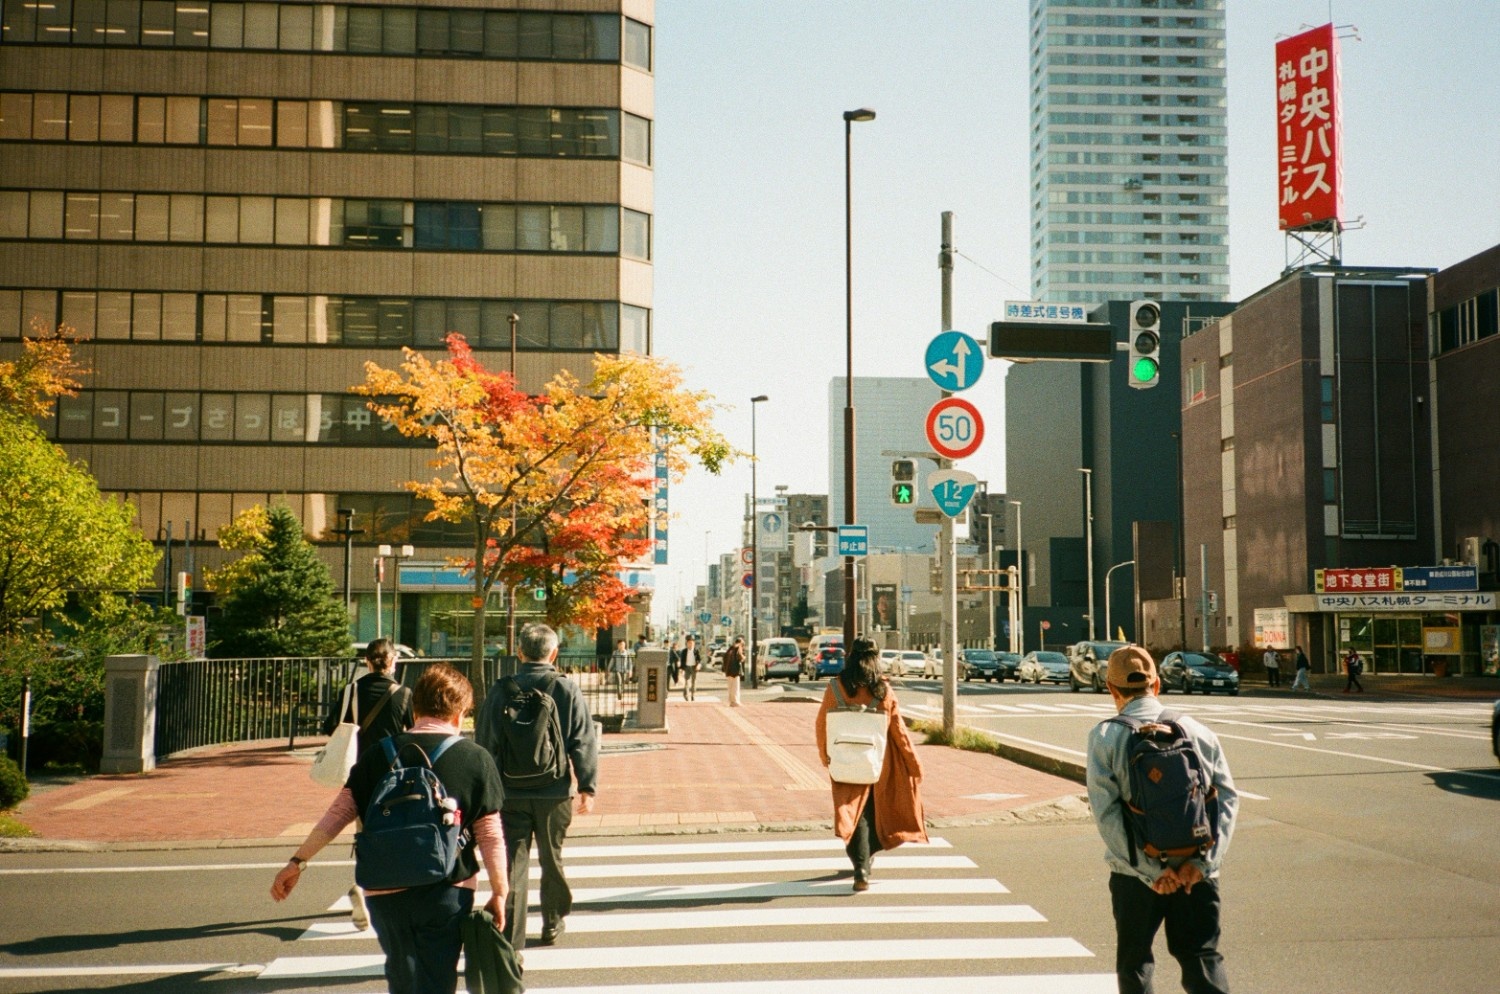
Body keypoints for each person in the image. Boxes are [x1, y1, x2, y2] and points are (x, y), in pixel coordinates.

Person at [272, 664, 506, 994]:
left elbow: (339, 813)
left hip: (384, 890)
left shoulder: (377, 754)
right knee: (438, 978)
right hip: (447, 889)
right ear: (460, 713)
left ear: (415, 709)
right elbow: (490, 834)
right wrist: (500, 891)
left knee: (402, 975)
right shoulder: (475, 758)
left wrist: (297, 861)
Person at [1086, 645, 1238, 994]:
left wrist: (1152, 872)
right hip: (1196, 872)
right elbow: (1226, 799)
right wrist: (1202, 864)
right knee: (1201, 958)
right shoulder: (1197, 730)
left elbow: (1106, 814)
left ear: (1111, 689)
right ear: (1156, 684)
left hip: (1135, 876)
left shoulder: (1105, 737)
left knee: (1135, 963)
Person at [475, 622, 598, 952]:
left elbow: (485, 742)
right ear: (553, 653)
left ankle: (511, 939)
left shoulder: (501, 690)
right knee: (551, 859)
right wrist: (587, 786)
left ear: (519, 653)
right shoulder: (566, 689)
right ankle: (552, 920)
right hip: (554, 792)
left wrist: (486, 790)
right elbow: (583, 740)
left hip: (509, 793)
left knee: (514, 865)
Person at [814, 638, 927, 892]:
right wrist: (914, 765)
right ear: (876, 659)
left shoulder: (835, 688)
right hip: (878, 762)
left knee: (852, 812)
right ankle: (863, 864)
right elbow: (900, 733)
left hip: (843, 760)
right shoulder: (883, 691)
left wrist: (825, 756)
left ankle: (861, 865)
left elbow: (821, 725)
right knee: (872, 813)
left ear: (851, 657)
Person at [323, 638, 415, 929]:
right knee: (396, 836)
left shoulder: (351, 691)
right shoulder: (403, 693)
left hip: (359, 774)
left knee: (364, 835)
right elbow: (412, 733)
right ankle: (383, 893)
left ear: (367, 662)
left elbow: (330, 727)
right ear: (393, 661)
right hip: (392, 777)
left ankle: (363, 886)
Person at [721, 636, 745, 707]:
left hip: (728, 671)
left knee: (730, 687)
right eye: (742, 644)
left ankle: (731, 701)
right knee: (735, 687)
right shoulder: (738, 648)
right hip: (735, 671)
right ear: (740, 643)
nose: (742, 646)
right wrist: (744, 657)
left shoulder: (730, 649)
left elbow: (724, 658)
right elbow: (740, 657)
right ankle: (736, 702)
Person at [680, 634, 701, 700]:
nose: (690, 644)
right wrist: (681, 669)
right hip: (687, 667)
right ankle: (686, 695)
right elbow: (682, 660)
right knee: (686, 682)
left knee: (693, 682)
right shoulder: (684, 651)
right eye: (689, 643)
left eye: (692, 643)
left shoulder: (696, 651)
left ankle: (692, 695)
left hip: (694, 667)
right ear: (686, 644)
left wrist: (698, 665)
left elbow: (699, 659)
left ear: (693, 643)